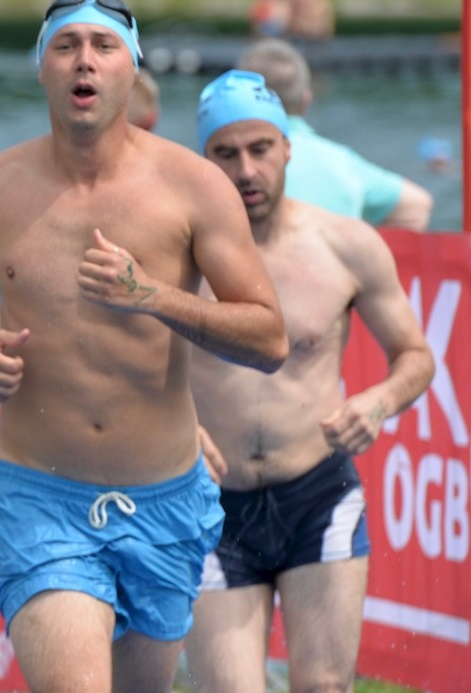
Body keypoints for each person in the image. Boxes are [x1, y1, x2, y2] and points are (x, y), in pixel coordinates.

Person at [0, 2, 289, 691]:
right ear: (43, 68)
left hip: (166, 497)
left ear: (131, 65)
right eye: (66, 46)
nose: (84, 59)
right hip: (43, 499)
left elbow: (268, 337)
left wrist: (153, 295)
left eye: (103, 45)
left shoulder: (194, 186)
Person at [185, 69, 435, 693]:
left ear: (288, 147)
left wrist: (379, 400)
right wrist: (179, 431)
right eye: (226, 154)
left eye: (260, 149)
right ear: (205, 159)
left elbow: (415, 355)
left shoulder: (347, 247)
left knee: (325, 686)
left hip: (318, 495)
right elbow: (124, 366)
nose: (246, 170)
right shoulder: (179, 260)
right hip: (213, 505)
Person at [238, 37, 434, 231]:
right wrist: (368, 254)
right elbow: (417, 206)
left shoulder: (225, 167)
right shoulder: (343, 162)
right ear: (306, 99)